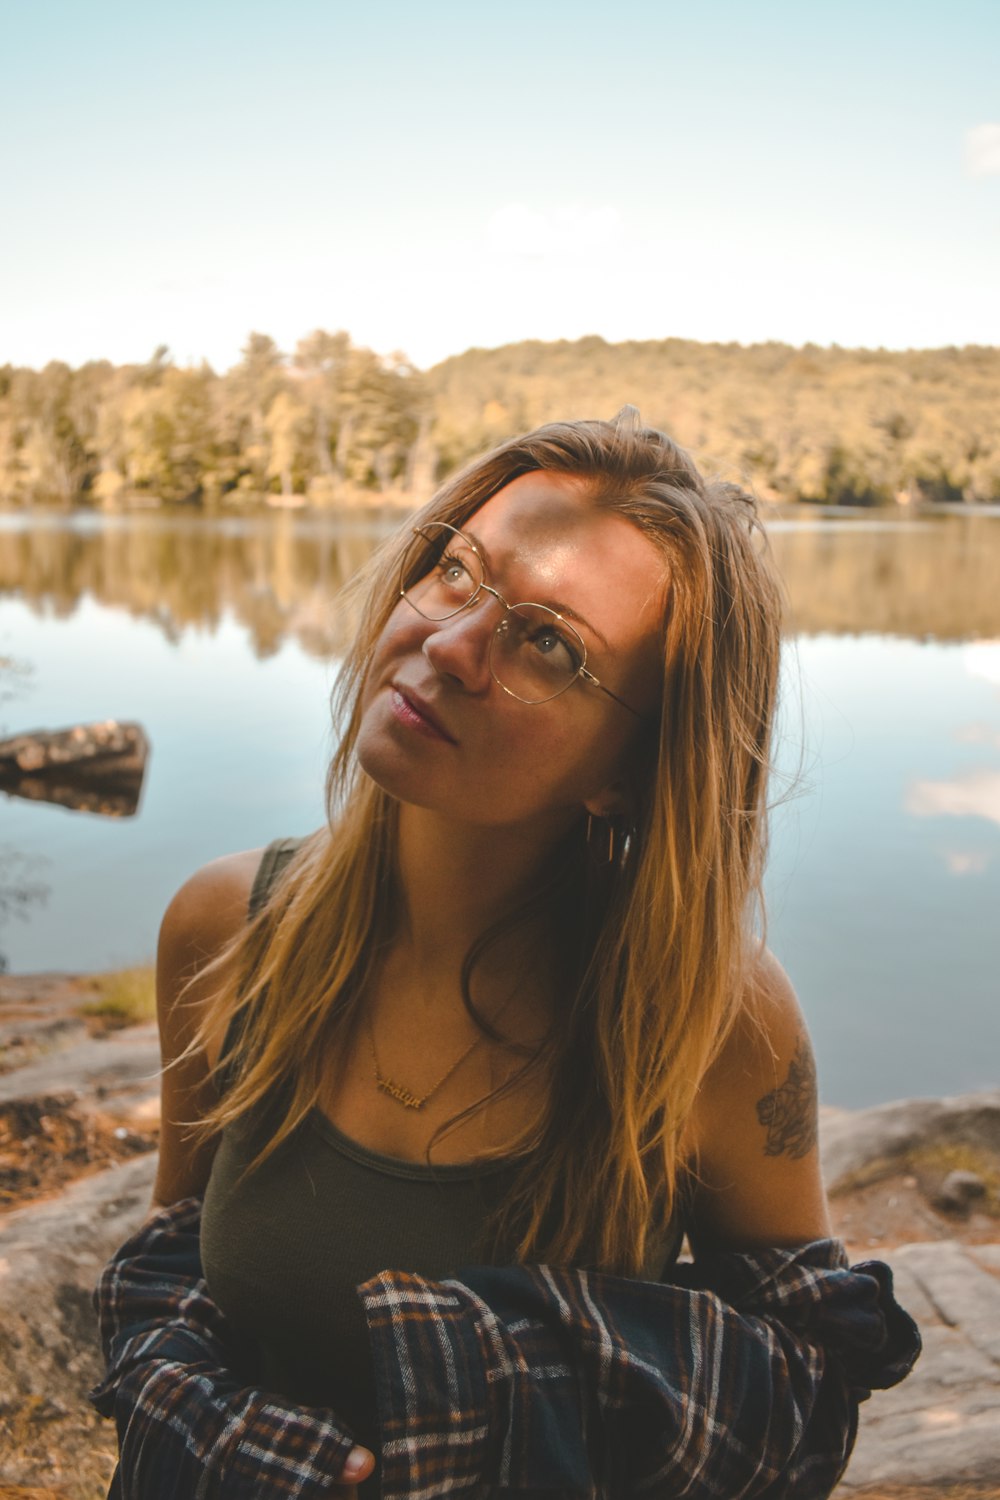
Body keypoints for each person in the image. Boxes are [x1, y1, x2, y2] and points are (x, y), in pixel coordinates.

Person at [92, 407, 919, 1499]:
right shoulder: (226, 927)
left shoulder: (708, 1019)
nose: (448, 645)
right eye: (455, 571)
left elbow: (802, 1382)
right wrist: (235, 1442)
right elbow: (172, 1269)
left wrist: (497, 1392)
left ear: (631, 766)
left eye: (549, 645)